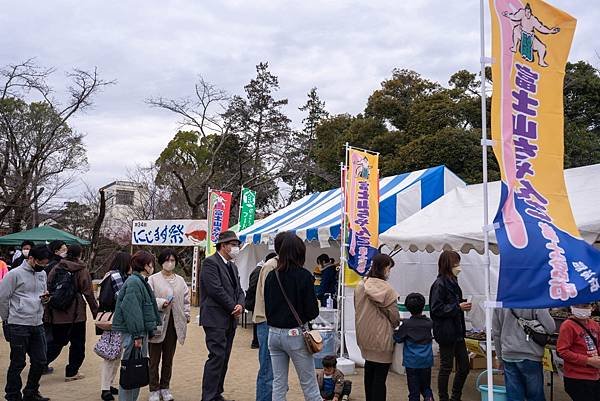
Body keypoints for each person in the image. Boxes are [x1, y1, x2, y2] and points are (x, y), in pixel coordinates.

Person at [264, 232, 320, 401]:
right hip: (295, 335)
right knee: (309, 384)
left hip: (273, 334)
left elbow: (268, 308)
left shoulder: (271, 276)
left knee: (279, 384)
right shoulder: (304, 276)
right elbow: (312, 312)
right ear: (299, 252)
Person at [0, 244, 52, 401]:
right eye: (41, 262)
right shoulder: (14, 274)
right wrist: (7, 319)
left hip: (37, 322)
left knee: (41, 360)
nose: (43, 266)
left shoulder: (42, 273)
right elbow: (3, 298)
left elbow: (43, 293)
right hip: (17, 323)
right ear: (31, 258)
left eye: (45, 263)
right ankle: (12, 394)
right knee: (18, 362)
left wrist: (46, 299)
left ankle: (31, 391)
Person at [199, 230, 245, 401]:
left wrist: (240, 304)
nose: (236, 248)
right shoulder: (210, 263)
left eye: (237, 245)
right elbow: (215, 289)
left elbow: (239, 290)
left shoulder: (232, 266)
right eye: (233, 245)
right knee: (216, 356)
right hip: (214, 318)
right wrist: (234, 306)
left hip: (229, 318)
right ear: (223, 246)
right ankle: (208, 396)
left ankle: (217, 392)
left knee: (224, 357)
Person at [112, 250, 161, 401]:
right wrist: (138, 335)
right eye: (151, 263)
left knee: (135, 369)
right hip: (134, 334)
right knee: (131, 369)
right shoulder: (135, 282)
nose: (152, 266)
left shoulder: (138, 281)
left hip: (136, 333)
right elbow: (132, 310)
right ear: (146, 265)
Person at [45, 244, 99, 381]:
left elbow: (48, 286)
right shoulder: (81, 269)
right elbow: (88, 293)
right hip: (76, 314)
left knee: (56, 342)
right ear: (80, 254)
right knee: (77, 344)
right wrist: (96, 313)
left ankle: (40, 364)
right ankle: (72, 372)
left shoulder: (57, 267)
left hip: (57, 313)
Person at [354, 253, 400, 401]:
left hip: (364, 336)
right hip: (383, 339)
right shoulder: (388, 290)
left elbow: (357, 307)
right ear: (385, 268)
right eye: (389, 268)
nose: (389, 272)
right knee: (380, 380)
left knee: (369, 375)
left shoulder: (360, 286)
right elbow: (394, 316)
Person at [147, 249, 191, 401]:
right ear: (161, 262)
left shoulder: (180, 280)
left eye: (172, 260)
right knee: (153, 358)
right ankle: (153, 388)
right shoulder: (152, 279)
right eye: (167, 260)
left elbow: (186, 300)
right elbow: (148, 299)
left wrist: (186, 315)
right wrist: (161, 303)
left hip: (174, 323)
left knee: (168, 358)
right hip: (157, 322)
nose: (170, 263)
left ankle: (165, 387)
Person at [429, 250, 471, 401]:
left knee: (464, 367)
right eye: (456, 264)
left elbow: (450, 304)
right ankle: (443, 397)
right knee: (446, 367)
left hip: (457, 331)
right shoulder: (439, 284)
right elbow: (436, 309)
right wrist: (458, 307)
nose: (459, 267)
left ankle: (455, 396)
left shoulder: (453, 281)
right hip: (446, 332)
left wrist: (461, 305)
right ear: (448, 265)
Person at [492, 307, 555, 401]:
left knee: (514, 397)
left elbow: (496, 333)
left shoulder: (501, 302)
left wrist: (499, 357)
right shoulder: (534, 300)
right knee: (535, 396)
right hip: (530, 354)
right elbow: (551, 328)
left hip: (508, 355)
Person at [253, 232, 287, 401]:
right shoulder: (270, 266)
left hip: (276, 322)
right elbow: (268, 297)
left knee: (277, 370)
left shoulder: (282, 265)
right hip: (267, 321)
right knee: (267, 369)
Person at [97, 251, 131, 401]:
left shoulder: (110, 275)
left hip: (115, 321)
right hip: (114, 321)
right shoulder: (116, 277)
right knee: (111, 356)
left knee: (115, 355)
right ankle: (105, 389)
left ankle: (109, 384)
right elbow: (119, 298)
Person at [394, 292, 434, 401]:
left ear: (407, 307)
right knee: (426, 387)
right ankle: (429, 397)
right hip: (426, 361)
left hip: (412, 363)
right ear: (423, 306)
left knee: (414, 391)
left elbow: (398, 338)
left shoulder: (407, 325)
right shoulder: (429, 322)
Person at [557, 303, 600, 401]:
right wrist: (588, 360)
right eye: (577, 306)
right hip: (577, 377)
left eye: (585, 306)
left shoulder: (594, 324)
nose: (581, 309)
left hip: (595, 375)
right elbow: (562, 351)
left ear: (592, 308)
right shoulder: (567, 325)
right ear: (571, 307)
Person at [502, 2, 560, 67]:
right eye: (526, 12)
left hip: (530, 36)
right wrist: (507, 15)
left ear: (531, 12)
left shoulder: (533, 19)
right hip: (521, 33)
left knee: (542, 47)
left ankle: (541, 61)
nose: (527, 14)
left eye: (529, 12)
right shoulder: (522, 13)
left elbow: (540, 27)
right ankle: (514, 47)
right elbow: (515, 17)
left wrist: (550, 31)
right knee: (515, 29)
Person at [246, 252, 278, 349]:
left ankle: (256, 341)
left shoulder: (260, 268)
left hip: (257, 301)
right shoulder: (260, 270)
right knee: (258, 323)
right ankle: (255, 342)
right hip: (256, 301)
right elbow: (253, 286)